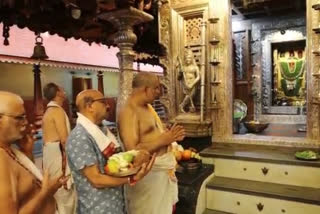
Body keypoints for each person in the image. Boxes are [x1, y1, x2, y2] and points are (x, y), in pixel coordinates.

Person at [66, 89, 155, 214]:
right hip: (97, 208)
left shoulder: (102, 130)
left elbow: (118, 160)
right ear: (90, 106)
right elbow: (96, 179)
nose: (108, 106)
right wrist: (131, 179)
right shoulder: (80, 137)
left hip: (115, 205)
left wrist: (138, 157)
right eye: (103, 102)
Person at [118, 72, 186, 214]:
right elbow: (133, 152)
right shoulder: (129, 112)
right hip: (148, 176)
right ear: (145, 89)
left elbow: (153, 135)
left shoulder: (148, 106)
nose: (159, 92)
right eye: (156, 88)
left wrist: (170, 137)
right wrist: (164, 140)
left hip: (161, 172)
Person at [0, 91, 69, 214]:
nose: (25, 122)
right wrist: (45, 193)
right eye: (19, 118)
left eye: (25, 117)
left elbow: (25, 188)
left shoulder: (9, 149)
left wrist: (27, 153)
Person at [42, 83, 76, 214]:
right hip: (58, 153)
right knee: (64, 187)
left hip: (51, 152)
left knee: (57, 186)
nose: (64, 90)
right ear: (58, 93)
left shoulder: (50, 110)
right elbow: (64, 139)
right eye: (62, 89)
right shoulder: (56, 111)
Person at [176, 48, 200, 113]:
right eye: (186, 58)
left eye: (189, 58)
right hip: (185, 84)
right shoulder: (183, 67)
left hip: (192, 84)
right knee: (188, 96)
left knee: (191, 95)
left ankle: (182, 105)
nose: (188, 60)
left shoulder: (195, 67)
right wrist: (180, 72)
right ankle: (184, 106)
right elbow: (178, 78)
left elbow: (198, 77)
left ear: (192, 59)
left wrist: (192, 84)